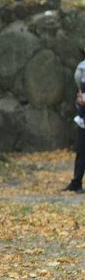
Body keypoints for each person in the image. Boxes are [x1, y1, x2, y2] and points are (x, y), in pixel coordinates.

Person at [63, 52, 85, 192]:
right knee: (81, 150)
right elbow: (80, 93)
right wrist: (80, 102)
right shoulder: (82, 68)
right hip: (84, 118)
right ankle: (76, 182)